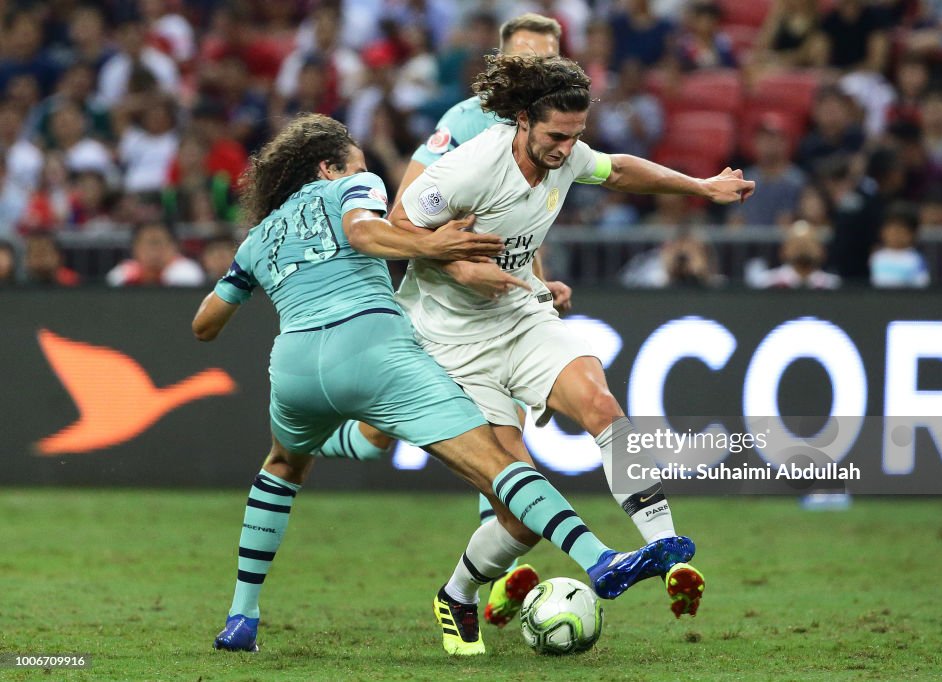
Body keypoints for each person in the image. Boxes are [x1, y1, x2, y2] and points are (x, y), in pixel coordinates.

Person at [195, 113, 697, 656]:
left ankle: (241, 617)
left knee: (283, 466)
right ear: (329, 167)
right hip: (374, 350)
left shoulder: (259, 236)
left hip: (293, 369)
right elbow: (365, 232)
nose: (366, 170)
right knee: (501, 468)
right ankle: (600, 558)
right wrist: (439, 249)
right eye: (357, 161)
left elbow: (205, 324)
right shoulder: (354, 186)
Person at [341, 53, 752, 629]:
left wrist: (700, 187)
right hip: (453, 342)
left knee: (602, 405)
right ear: (524, 122)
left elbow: (620, 169)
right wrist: (460, 268)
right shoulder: (471, 168)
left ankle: (665, 547)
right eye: (556, 136)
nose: (565, 149)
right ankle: (456, 593)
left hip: (522, 314)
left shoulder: (567, 153)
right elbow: (395, 226)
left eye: (575, 136)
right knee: (521, 511)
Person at [106, 221, 204, 286]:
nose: (153, 251)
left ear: (174, 246)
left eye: (158, 243)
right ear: (135, 248)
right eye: (148, 244)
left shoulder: (186, 270)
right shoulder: (124, 273)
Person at [870, 203, 930, 288]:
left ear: (912, 234)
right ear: (883, 232)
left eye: (901, 231)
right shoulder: (877, 257)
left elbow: (922, 286)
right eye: (892, 231)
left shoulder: (915, 259)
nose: (896, 236)